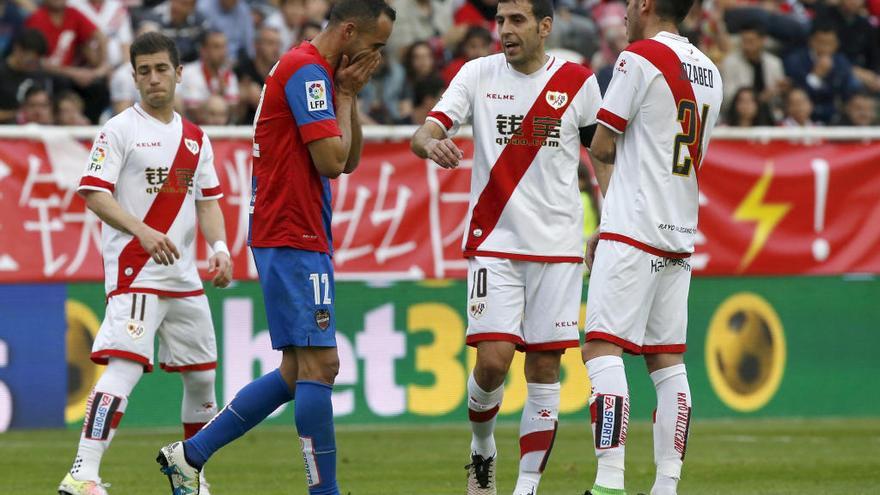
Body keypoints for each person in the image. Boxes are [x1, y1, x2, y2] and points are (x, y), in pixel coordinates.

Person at [156, 2, 394, 495]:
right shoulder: (307, 72)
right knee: (321, 366)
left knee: (296, 370)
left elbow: (347, 161)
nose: (377, 57)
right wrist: (343, 92)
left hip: (296, 230)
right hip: (292, 231)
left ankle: (189, 455)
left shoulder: (318, 73)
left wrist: (346, 95)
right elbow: (330, 162)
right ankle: (322, 491)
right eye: (375, 45)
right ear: (349, 32)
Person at [411, 1, 602, 494]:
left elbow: (602, 157)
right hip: (494, 240)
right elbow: (424, 131)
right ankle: (482, 446)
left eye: (516, 21)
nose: (505, 30)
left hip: (558, 246)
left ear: (544, 26)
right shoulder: (477, 74)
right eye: (500, 21)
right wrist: (431, 143)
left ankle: (525, 489)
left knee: (543, 368)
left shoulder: (578, 82)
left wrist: (610, 219)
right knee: (493, 363)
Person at [57, 31, 232, 495]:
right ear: (133, 77)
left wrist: (220, 250)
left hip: (184, 277)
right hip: (136, 271)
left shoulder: (196, 140)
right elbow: (94, 193)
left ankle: (190, 471)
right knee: (125, 369)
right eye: (143, 71)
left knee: (202, 379)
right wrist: (142, 230)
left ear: (179, 74)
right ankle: (82, 473)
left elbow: (209, 202)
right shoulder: (119, 130)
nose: (153, 79)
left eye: (161, 69)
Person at [580, 0, 723, 493]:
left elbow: (602, 143)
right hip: (680, 232)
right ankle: (666, 485)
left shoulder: (637, 57)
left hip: (633, 228)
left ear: (644, 5)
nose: (621, 12)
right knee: (667, 362)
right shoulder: (711, 72)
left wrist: (613, 215)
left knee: (601, 348)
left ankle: (609, 482)